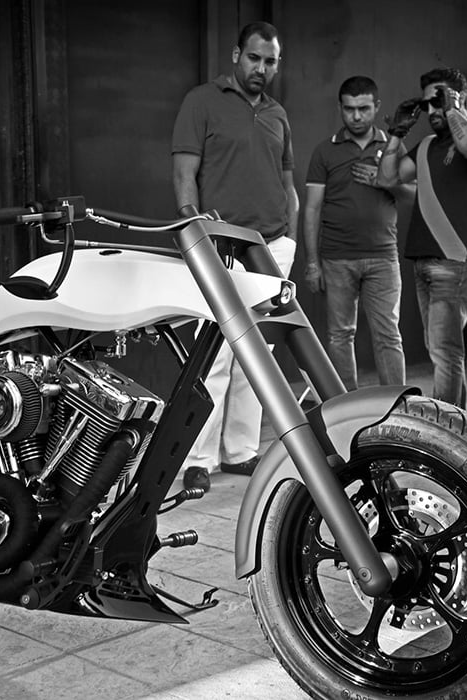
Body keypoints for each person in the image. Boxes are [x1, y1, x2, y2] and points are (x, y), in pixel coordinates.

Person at [171, 21, 298, 491]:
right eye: (254, 58)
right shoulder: (201, 101)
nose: (261, 68)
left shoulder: (278, 113)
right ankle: (197, 459)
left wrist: (290, 240)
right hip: (221, 245)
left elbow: (287, 183)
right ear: (236, 55)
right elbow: (184, 175)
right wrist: (195, 231)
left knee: (258, 354)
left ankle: (241, 451)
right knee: (215, 356)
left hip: (272, 246)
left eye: (270, 61)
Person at [377, 67, 467, 408]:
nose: (432, 110)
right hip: (423, 259)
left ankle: (446, 426)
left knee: (445, 352)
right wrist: (396, 134)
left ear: (460, 99)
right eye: (428, 104)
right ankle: (456, 426)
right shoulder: (427, 146)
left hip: (456, 260)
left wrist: (453, 111)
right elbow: (387, 178)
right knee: (440, 349)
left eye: (440, 100)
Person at [303, 75, 413, 391]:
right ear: (340, 108)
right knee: (340, 335)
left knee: (388, 334)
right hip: (337, 258)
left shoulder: (393, 147)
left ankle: (396, 404)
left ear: (376, 107)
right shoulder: (325, 151)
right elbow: (312, 208)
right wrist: (312, 263)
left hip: (383, 257)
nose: (356, 116)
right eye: (349, 109)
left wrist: (384, 180)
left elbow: (414, 196)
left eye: (363, 109)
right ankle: (347, 406)